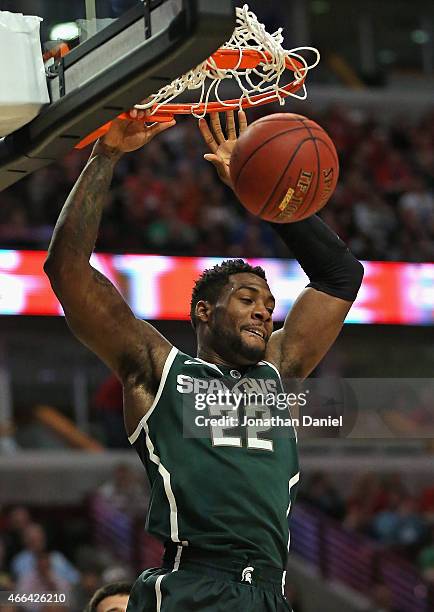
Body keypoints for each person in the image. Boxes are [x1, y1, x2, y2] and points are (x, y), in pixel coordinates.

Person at [44, 109, 363, 611]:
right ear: (203, 311)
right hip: (192, 586)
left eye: (268, 303)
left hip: (269, 596)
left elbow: (340, 276)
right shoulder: (157, 368)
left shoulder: (278, 369)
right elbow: (66, 271)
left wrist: (264, 194)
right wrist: (105, 156)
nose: (264, 309)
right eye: (247, 298)